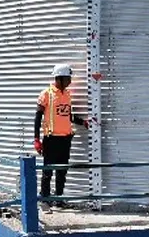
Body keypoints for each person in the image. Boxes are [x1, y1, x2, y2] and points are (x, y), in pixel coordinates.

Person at [34, 63, 89, 211]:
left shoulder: (67, 95)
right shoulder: (46, 94)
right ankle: (44, 200)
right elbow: (38, 116)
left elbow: (67, 115)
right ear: (59, 78)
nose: (70, 81)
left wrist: (82, 122)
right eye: (67, 78)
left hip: (65, 139)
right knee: (48, 171)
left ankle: (59, 199)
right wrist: (37, 139)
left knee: (62, 171)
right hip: (51, 139)